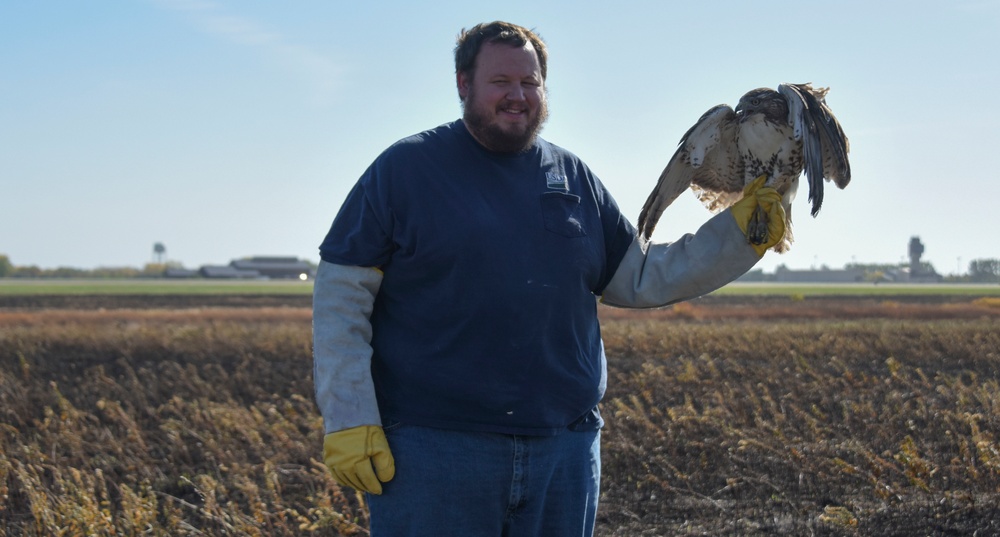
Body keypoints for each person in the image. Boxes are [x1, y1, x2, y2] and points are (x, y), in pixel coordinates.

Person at [313, 20, 784, 537]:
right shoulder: (404, 170)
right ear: (463, 84)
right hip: (437, 452)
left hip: (564, 450)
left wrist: (740, 235)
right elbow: (342, 296)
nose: (518, 96)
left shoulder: (572, 176)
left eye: (531, 83)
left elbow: (640, 276)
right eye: (501, 82)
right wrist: (349, 417)